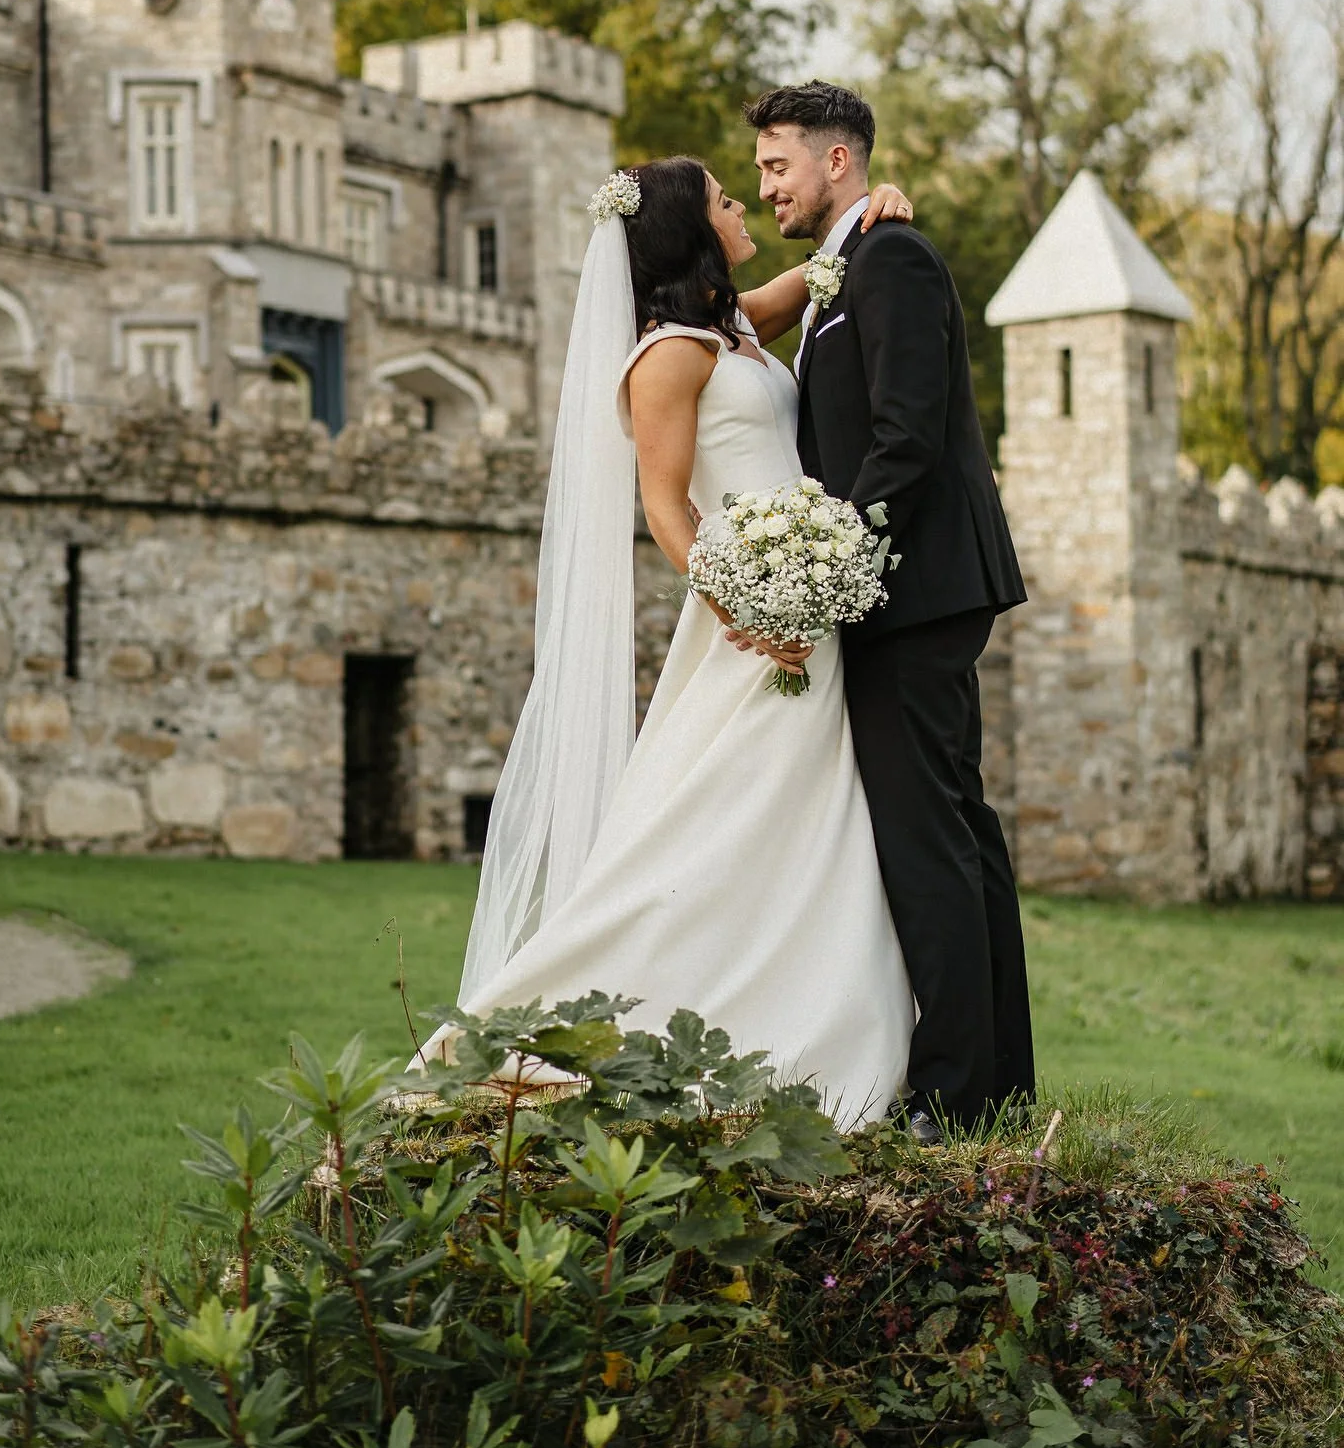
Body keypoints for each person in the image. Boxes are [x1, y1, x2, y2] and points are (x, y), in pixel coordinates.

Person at [417, 156, 918, 1124]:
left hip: (805, 589)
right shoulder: (669, 355)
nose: (745, 207)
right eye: (727, 200)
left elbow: (818, 275)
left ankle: (805, 1000)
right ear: (692, 228)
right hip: (752, 610)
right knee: (729, 806)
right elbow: (665, 506)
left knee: (799, 809)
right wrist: (744, 604)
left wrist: (872, 210)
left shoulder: (730, 332)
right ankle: (585, 1005)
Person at [747, 81, 1034, 1139]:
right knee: (958, 831)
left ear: (837, 162)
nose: (766, 184)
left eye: (779, 165)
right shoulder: (841, 268)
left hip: (911, 591)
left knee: (927, 840)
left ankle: (955, 1100)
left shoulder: (892, 258)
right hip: (906, 589)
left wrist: (832, 565)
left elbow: (908, 435)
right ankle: (995, 1086)